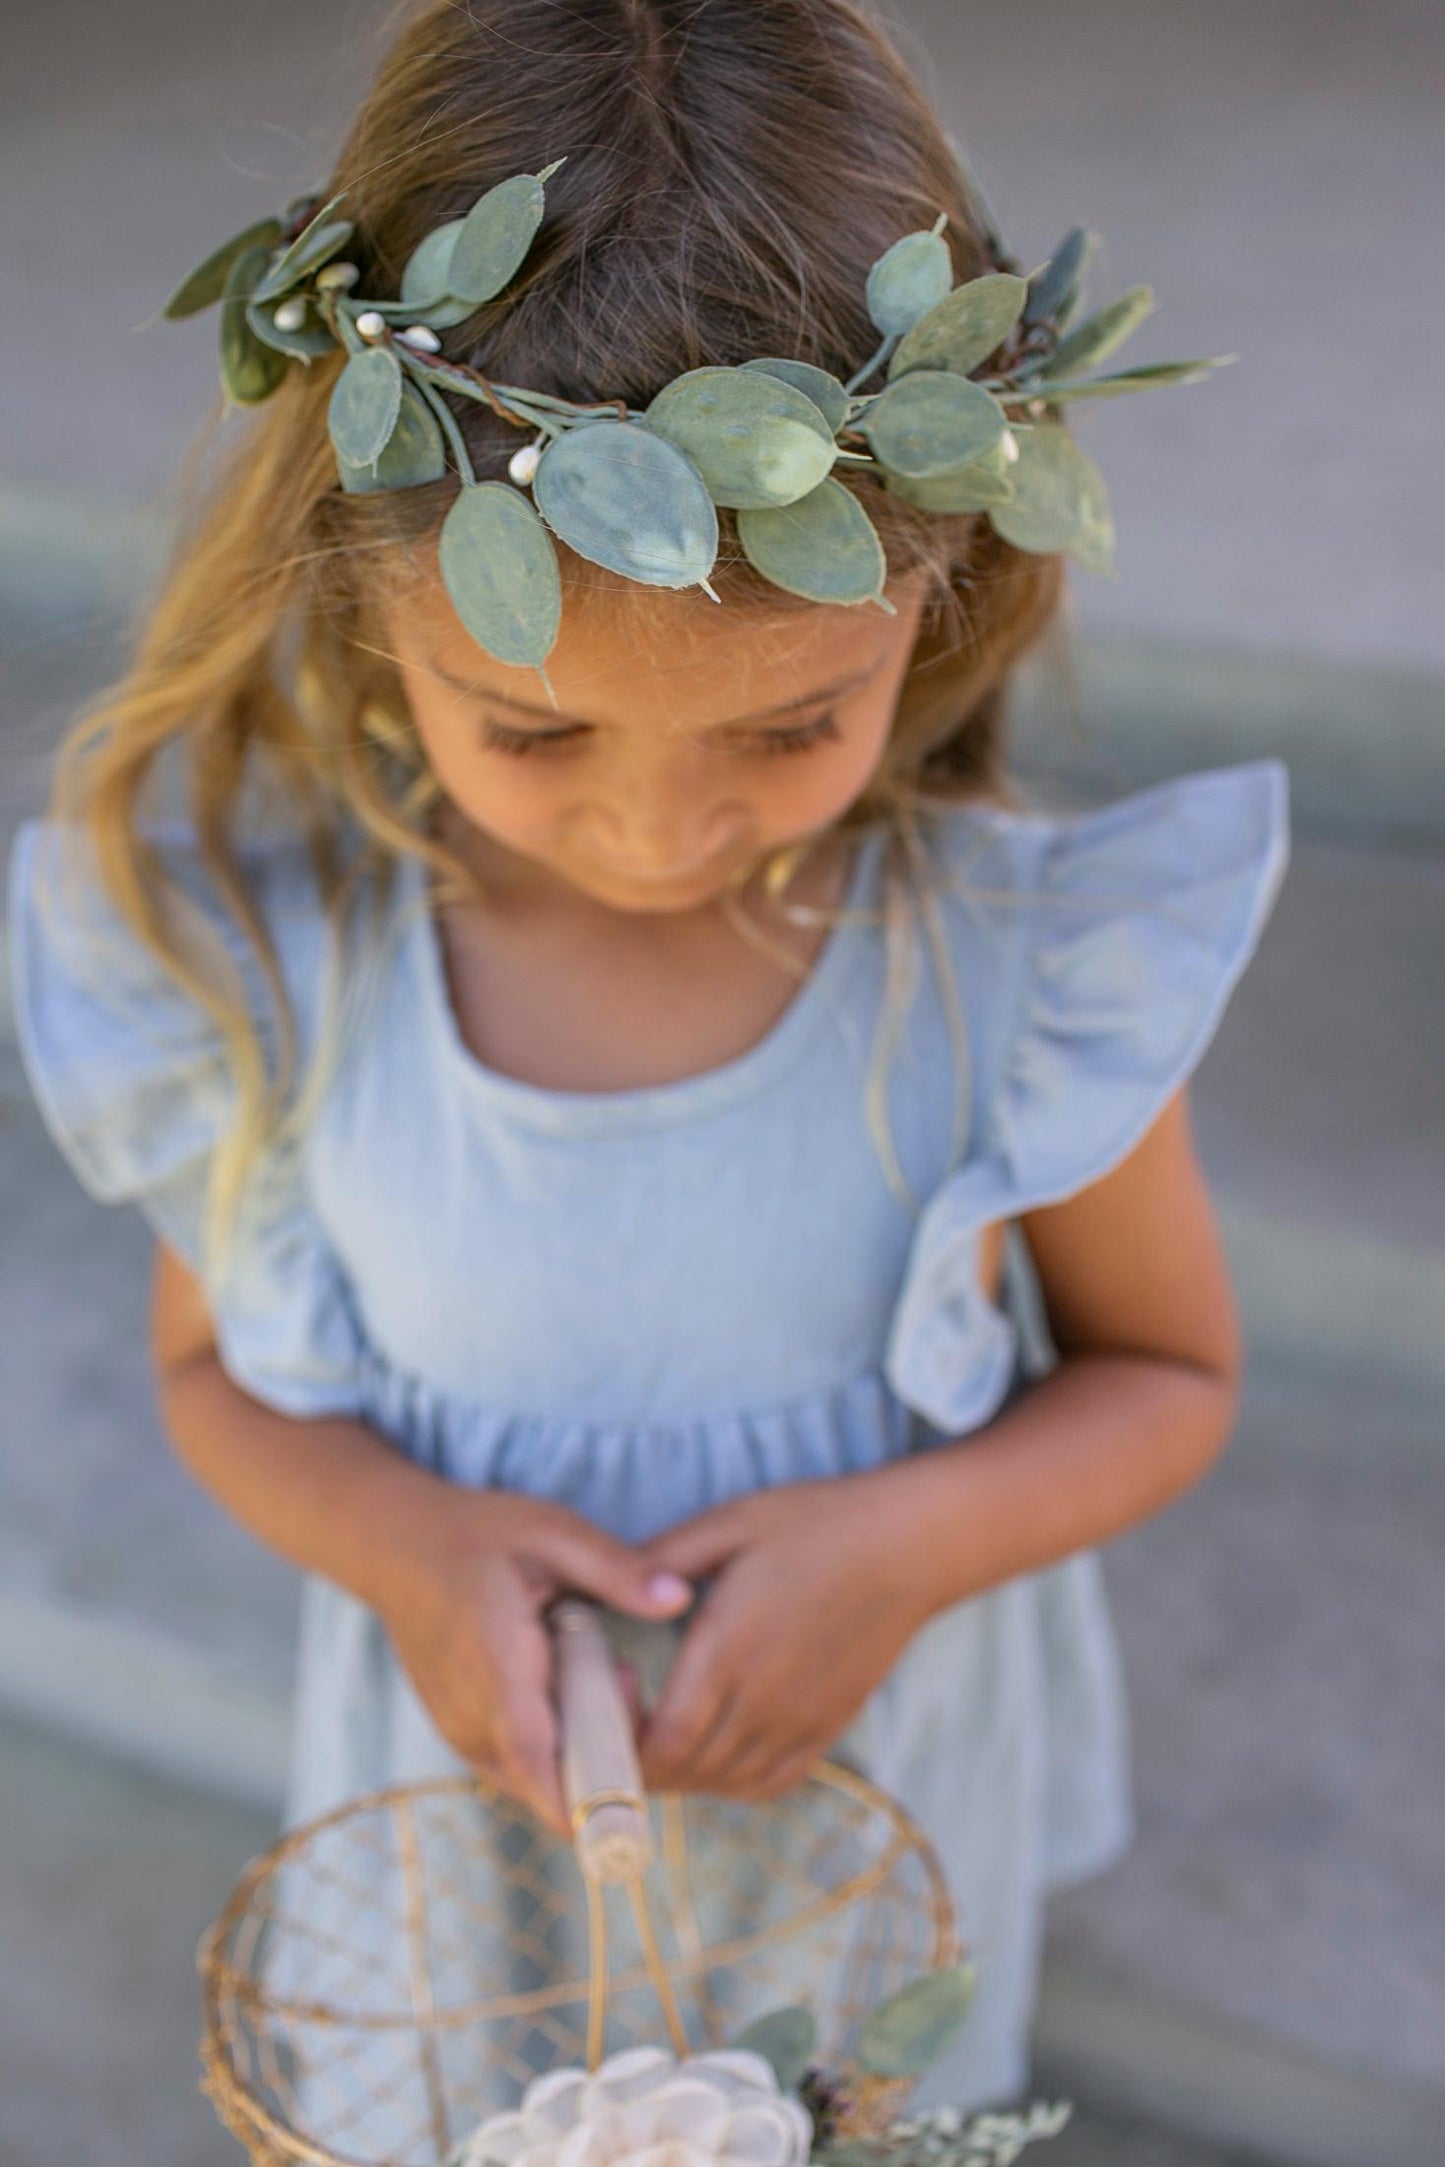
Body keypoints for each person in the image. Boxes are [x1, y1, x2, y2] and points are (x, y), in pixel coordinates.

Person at [5, 0, 1289, 2140]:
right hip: (469, 1846)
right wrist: (409, 1546)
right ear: (367, 612)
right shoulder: (285, 971)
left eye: (790, 725)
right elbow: (213, 1376)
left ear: (939, 591)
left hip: (856, 1809)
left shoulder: (1003, 970)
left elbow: (1168, 1374)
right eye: (537, 731)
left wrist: (910, 1540)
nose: (658, 830)